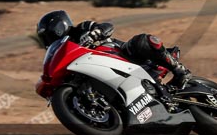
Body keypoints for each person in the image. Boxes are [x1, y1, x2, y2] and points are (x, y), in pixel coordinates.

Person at [36, 10, 190, 89]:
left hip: (124, 57)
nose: (48, 40)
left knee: (141, 41)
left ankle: (179, 69)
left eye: (48, 35)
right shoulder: (61, 53)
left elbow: (107, 26)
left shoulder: (81, 29)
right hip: (103, 74)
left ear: (57, 27)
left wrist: (95, 33)